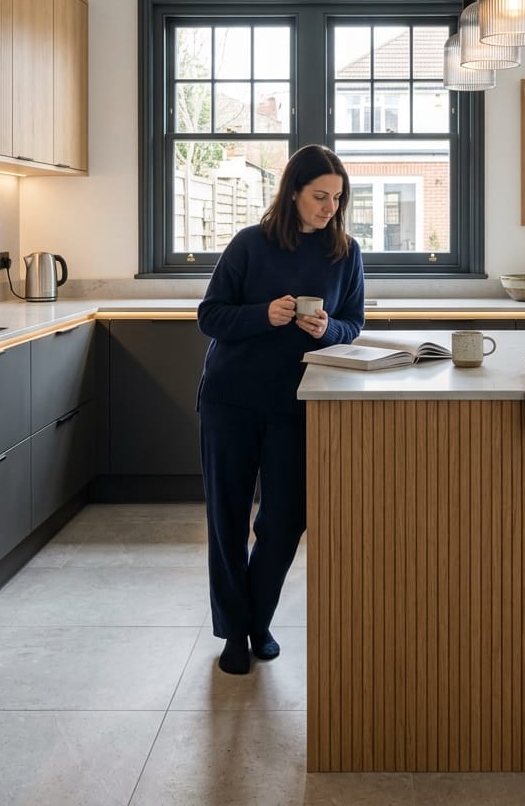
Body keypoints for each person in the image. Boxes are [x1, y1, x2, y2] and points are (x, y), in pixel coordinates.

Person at [196, 144, 365, 675]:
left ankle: (258, 618)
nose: (329, 208)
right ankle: (233, 631)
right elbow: (210, 315)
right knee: (227, 517)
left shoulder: (346, 252)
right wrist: (261, 315)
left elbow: (353, 325)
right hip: (231, 399)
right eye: (320, 196)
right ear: (292, 192)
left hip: (297, 402)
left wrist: (327, 329)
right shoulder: (249, 244)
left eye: (337, 198)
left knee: (286, 518)